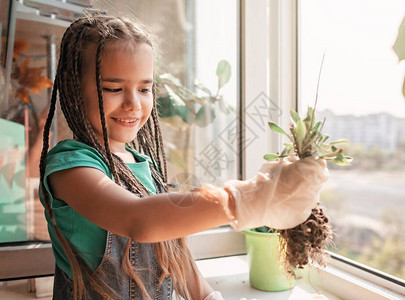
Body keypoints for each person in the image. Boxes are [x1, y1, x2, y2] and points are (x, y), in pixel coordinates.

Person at [39, 13, 328, 300]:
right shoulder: (70, 167)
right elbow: (138, 221)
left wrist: (207, 296)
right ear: (74, 86)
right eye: (114, 89)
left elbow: (176, 258)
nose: (133, 104)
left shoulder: (144, 167)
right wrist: (248, 198)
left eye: (144, 89)